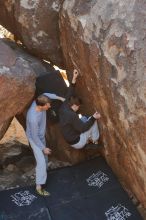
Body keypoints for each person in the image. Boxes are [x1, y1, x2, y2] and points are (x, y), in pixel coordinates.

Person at [26, 93, 65, 196]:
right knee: (42, 161)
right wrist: (43, 148)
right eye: (47, 105)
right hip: (34, 139)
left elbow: (46, 94)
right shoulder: (32, 118)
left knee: (45, 159)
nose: (49, 106)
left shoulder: (39, 100)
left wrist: (59, 97)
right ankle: (39, 186)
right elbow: (34, 137)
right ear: (41, 106)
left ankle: (43, 172)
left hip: (40, 136)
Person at [59, 69, 101, 149]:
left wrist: (74, 78)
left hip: (70, 138)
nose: (78, 109)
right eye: (78, 107)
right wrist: (93, 118)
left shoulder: (64, 105)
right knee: (93, 121)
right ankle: (95, 141)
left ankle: (88, 138)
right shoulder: (72, 115)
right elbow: (83, 128)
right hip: (77, 142)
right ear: (74, 105)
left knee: (85, 118)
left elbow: (70, 92)